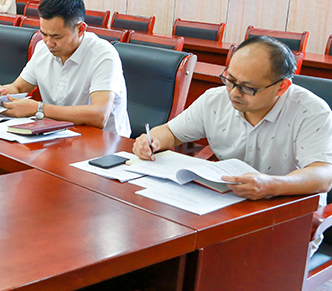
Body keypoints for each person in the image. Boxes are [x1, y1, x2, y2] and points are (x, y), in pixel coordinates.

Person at [134, 36, 332, 210]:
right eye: (230, 80)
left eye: (248, 88)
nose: (234, 93)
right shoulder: (215, 99)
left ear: (282, 87)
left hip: (290, 212)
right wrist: (152, 141)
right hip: (227, 204)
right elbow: (171, 132)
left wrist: (272, 185)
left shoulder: (311, 112)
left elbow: (324, 175)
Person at [0, 0, 129, 135]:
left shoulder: (103, 55)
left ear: (80, 29)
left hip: (104, 141)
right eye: (44, 34)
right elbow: (19, 88)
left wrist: (39, 109)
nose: (48, 43)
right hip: (60, 134)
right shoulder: (42, 48)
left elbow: (99, 115)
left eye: (57, 37)